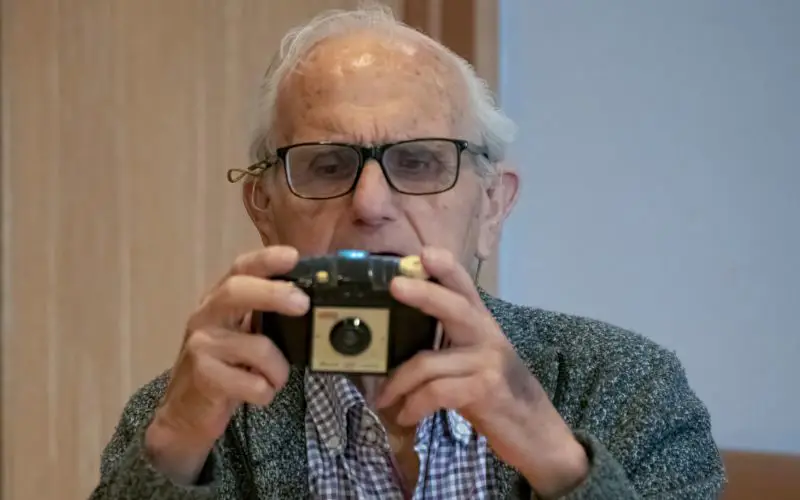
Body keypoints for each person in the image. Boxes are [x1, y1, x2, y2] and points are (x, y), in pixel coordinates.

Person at [89, 6, 725, 500]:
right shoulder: (190, 413)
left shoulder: (632, 387)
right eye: (327, 164)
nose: (370, 203)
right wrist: (171, 452)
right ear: (264, 209)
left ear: (493, 209)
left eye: (419, 162)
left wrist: (552, 456)